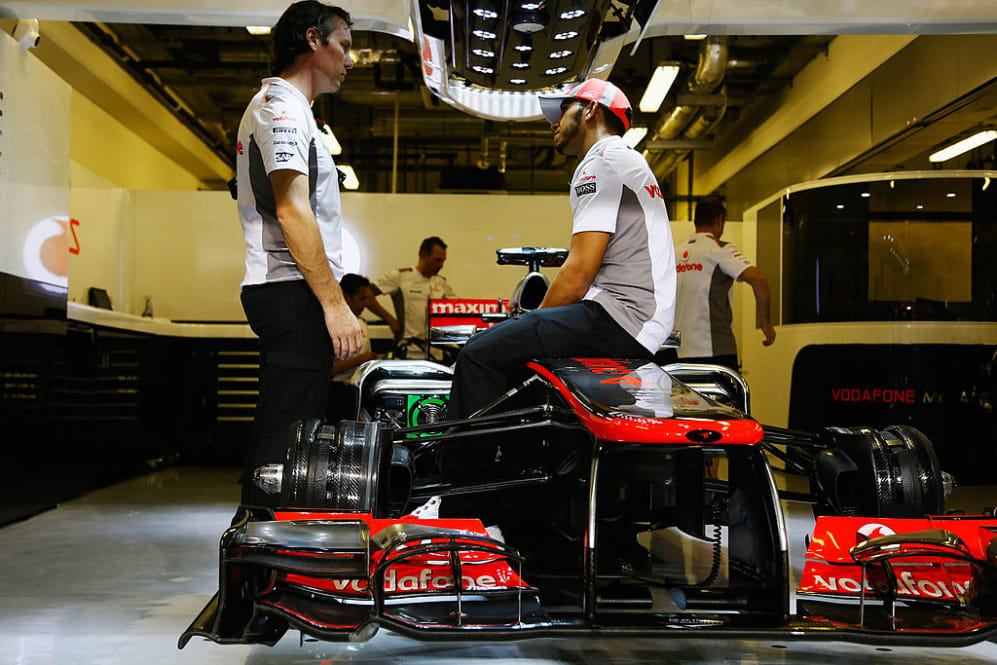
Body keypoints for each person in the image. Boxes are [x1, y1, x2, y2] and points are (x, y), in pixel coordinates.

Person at [447, 78, 677, 421]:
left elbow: (578, 273)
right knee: (522, 364)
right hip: (637, 317)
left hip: (621, 316)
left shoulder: (601, 162)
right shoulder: (624, 159)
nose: (554, 122)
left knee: (478, 354)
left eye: (563, 110)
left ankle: (463, 471)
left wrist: (533, 320)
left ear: (591, 111)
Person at [236, 1, 361, 506]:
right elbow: (292, 211)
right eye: (345, 46)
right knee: (283, 445)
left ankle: (270, 560)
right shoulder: (280, 107)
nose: (351, 60)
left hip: (293, 291)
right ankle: (260, 571)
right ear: (314, 40)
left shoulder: (296, 112)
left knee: (293, 440)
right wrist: (335, 305)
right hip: (292, 292)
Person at [669, 196, 775, 372]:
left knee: (683, 400)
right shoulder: (719, 249)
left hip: (677, 351)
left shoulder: (675, 252)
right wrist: (766, 324)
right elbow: (759, 280)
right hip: (714, 349)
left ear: (696, 221)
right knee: (721, 400)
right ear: (719, 221)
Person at [370, 236, 456, 351]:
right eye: (437, 260)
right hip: (409, 350)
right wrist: (390, 319)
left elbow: (459, 308)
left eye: (443, 261)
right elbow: (366, 294)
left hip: (436, 351)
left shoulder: (441, 282)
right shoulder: (400, 277)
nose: (441, 266)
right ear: (424, 255)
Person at [327, 274, 380, 421]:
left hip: (361, 390)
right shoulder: (332, 325)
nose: (365, 304)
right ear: (347, 297)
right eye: (361, 299)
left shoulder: (362, 322)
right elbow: (328, 368)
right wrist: (359, 360)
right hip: (338, 392)